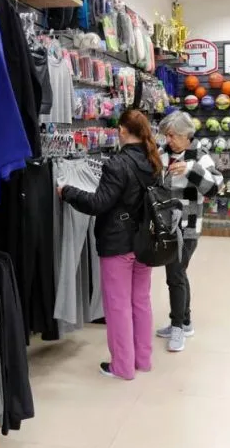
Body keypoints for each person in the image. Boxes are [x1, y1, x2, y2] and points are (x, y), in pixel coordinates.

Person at [57, 109, 161, 380]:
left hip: (117, 243)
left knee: (118, 306)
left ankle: (122, 367)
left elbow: (98, 203)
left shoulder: (117, 163)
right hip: (145, 241)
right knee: (141, 302)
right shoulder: (153, 161)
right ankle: (143, 360)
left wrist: (68, 191)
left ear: (123, 131)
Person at [156, 112, 224, 352]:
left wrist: (190, 170)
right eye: (166, 135)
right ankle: (185, 322)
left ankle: (178, 327)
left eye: (173, 135)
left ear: (187, 135)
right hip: (166, 226)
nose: (169, 140)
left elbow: (215, 187)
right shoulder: (162, 153)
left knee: (175, 274)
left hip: (188, 226)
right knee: (178, 273)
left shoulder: (199, 156)